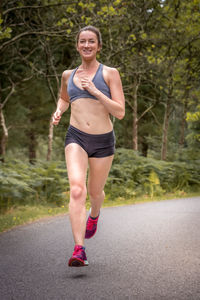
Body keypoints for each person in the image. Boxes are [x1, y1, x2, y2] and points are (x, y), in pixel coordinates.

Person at [52, 25, 125, 267]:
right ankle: (79, 249)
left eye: (91, 41)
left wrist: (95, 91)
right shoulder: (67, 75)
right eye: (82, 41)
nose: (86, 45)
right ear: (77, 45)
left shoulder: (109, 74)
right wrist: (59, 111)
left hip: (103, 141)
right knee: (76, 190)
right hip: (76, 137)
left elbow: (120, 111)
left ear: (99, 46)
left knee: (95, 193)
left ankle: (94, 214)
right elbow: (64, 97)